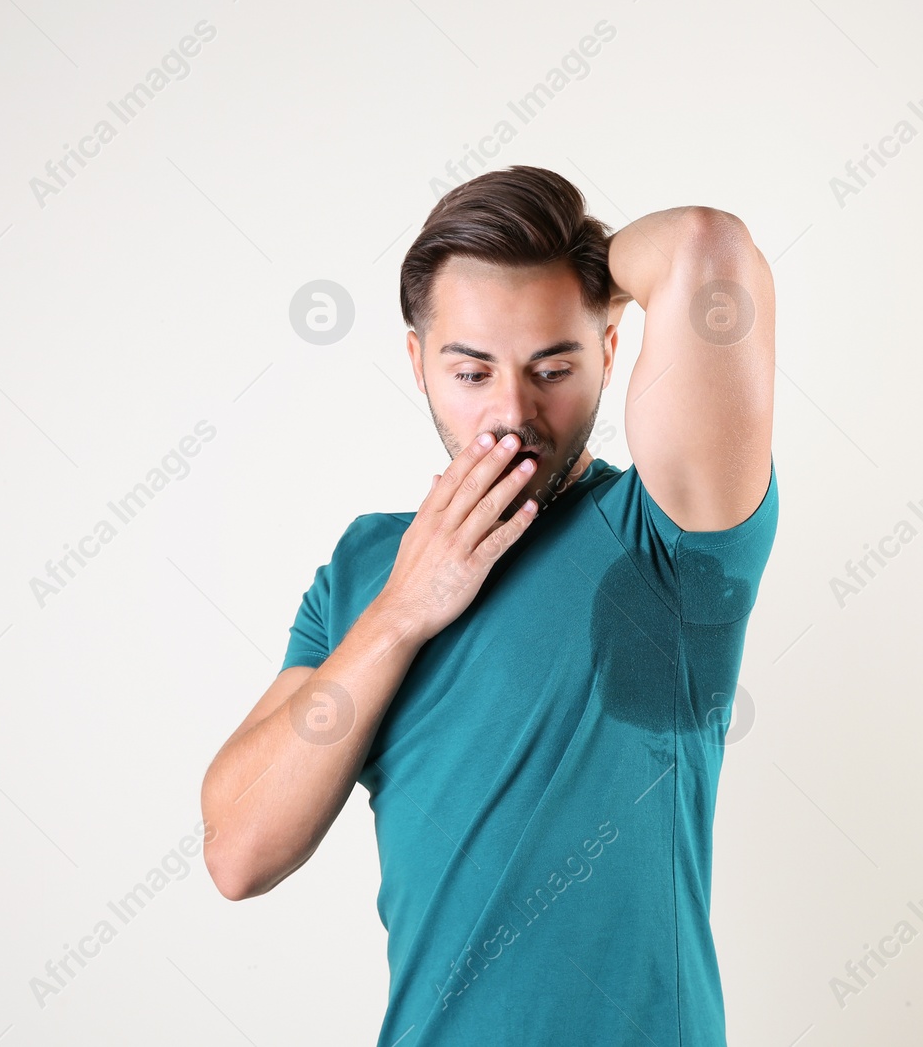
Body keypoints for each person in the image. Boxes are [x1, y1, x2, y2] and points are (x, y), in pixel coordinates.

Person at [200, 165, 777, 1045]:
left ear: (612, 351)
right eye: (471, 371)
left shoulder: (666, 540)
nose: (511, 414)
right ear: (417, 363)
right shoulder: (366, 569)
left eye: (553, 365)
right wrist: (402, 611)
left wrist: (589, 274)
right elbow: (238, 848)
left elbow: (706, 244)